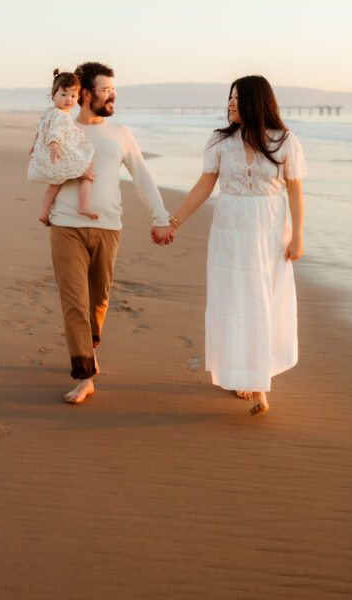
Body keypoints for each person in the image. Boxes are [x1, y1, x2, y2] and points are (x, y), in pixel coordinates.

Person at [163, 75, 307, 416]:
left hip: (268, 232)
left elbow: (295, 191)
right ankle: (243, 374)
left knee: (261, 302)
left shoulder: (284, 140)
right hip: (229, 230)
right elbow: (204, 185)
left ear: (257, 102)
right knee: (235, 301)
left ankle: (258, 385)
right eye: (229, 97)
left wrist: (299, 235)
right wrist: (174, 222)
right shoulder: (219, 142)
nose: (230, 103)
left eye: (238, 98)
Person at [48, 61, 173, 404]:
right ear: (85, 94)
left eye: (113, 89)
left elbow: (143, 176)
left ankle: (89, 347)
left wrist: (160, 217)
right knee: (74, 302)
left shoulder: (120, 133)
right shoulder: (63, 129)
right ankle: (84, 375)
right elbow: (42, 168)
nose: (112, 95)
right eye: (105, 90)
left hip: (107, 227)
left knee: (98, 299)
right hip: (66, 226)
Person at [28, 69, 98, 225]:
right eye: (64, 95)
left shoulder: (50, 112)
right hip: (60, 153)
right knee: (88, 172)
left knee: (53, 187)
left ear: (78, 97)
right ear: (53, 95)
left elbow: (40, 128)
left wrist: (34, 146)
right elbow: (56, 131)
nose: (69, 99)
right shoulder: (61, 115)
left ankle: (44, 214)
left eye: (73, 96)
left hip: (51, 154)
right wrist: (54, 145)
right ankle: (83, 206)